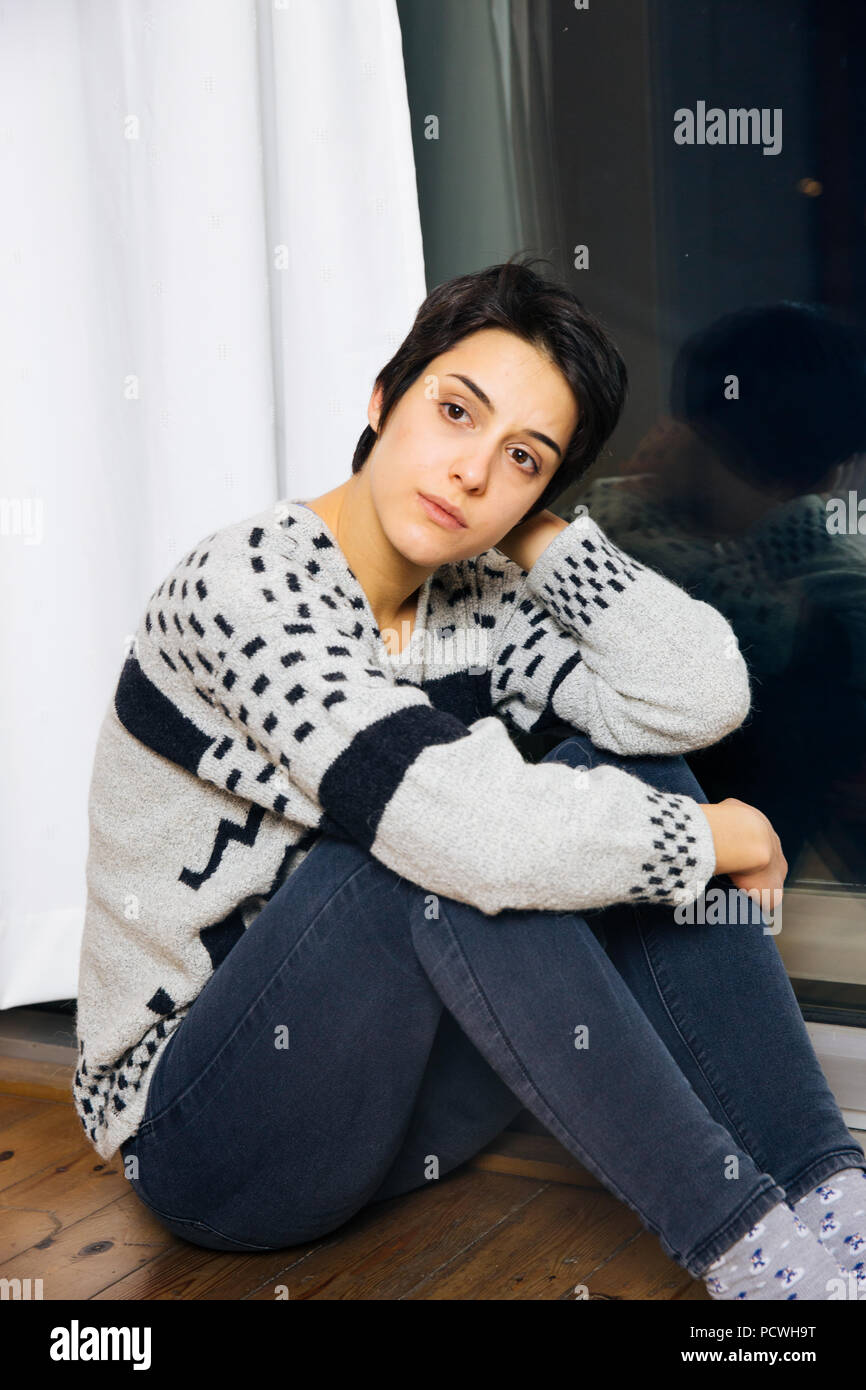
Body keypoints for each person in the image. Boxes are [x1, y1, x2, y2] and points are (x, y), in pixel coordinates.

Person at [74, 257, 866, 1300]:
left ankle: (832, 1205)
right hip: (214, 1139)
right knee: (442, 838)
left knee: (623, 769)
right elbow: (457, 828)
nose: (469, 470)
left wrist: (534, 535)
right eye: (454, 412)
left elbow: (695, 696)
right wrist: (720, 837)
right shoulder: (244, 586)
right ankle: (758, 1264)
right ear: (380, 400)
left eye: (522, 456)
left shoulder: (477, 593)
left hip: (400, 1113)